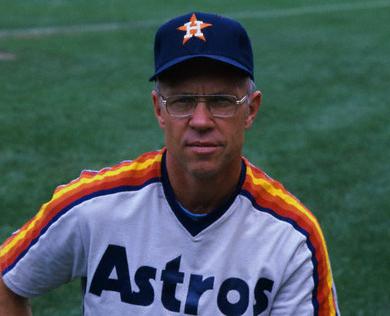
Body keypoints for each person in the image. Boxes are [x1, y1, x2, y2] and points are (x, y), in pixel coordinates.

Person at [0, 12, 340, 315]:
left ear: (250, 110)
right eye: (182, 101)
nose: (201, 120)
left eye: (221, 101)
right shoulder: (94, 206)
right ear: (159, 109)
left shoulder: (291, 238)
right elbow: (6, 280)